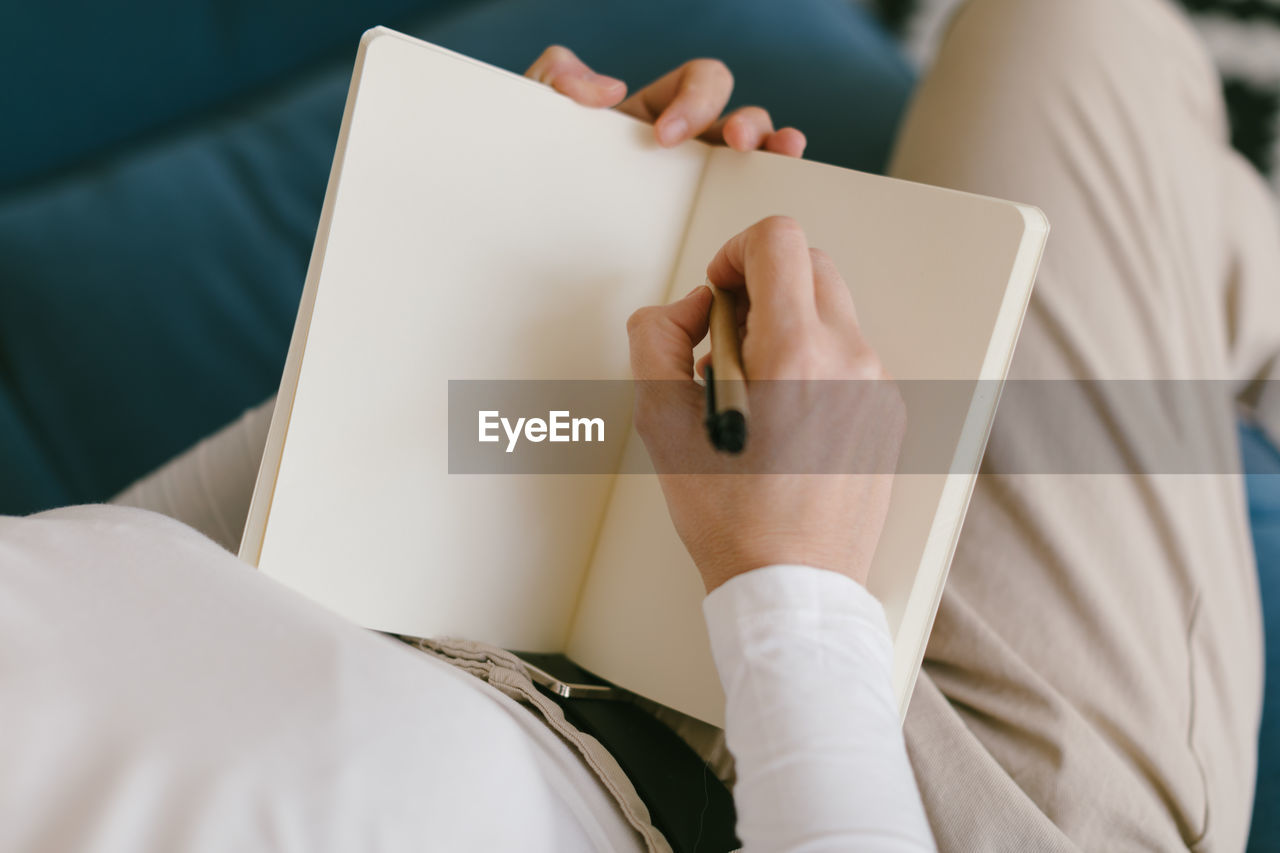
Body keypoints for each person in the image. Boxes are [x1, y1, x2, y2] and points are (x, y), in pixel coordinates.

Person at [5, 0, 1279, 849]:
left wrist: (497, 316)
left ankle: (1216, 275)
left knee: (1052, 24)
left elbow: (153, 572)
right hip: (926, 786)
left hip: (573, 593)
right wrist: (788, 576)